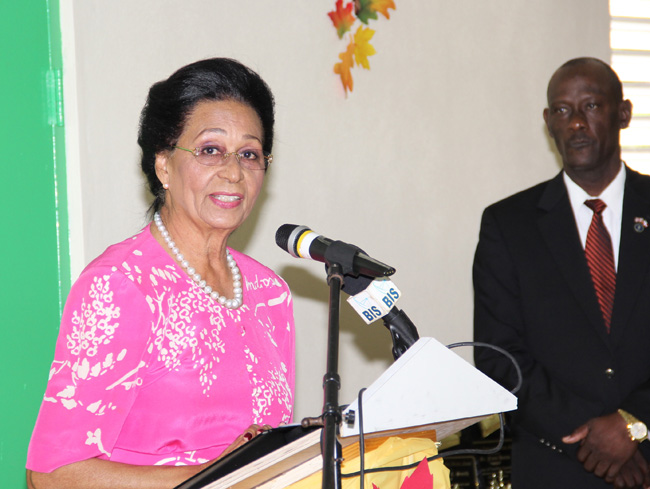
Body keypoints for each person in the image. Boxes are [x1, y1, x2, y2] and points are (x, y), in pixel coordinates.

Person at [25, 58, 295, 489]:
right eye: (210, 150)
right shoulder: (121, 285)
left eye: (250, 153)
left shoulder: (269, 292)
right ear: (164, 165)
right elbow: (53, 474)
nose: (233, 171)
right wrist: (218, 479)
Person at [474, 57, 650, 488]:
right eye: (562, 110)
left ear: (623, 113)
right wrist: (595, 440)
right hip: (556, 466)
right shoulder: (508, 224)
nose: (575, 123)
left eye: (590, 106)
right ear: (548, 121)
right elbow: (499, 357)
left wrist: (634, 423)